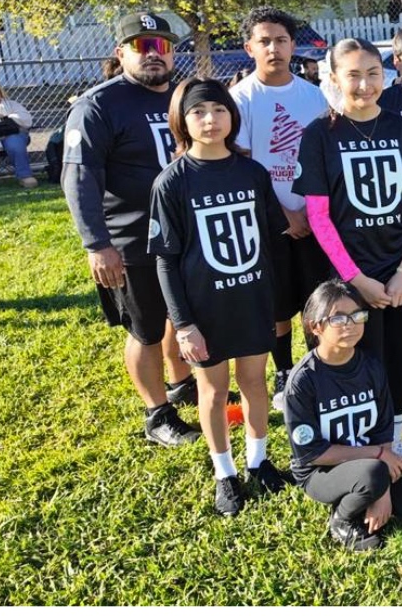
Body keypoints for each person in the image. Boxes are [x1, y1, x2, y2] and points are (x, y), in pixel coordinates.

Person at [149, 77, 290, 516]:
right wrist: (185, 324)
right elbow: (166, 261)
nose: (210, 121)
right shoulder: (172, 183)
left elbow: (268, 240)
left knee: (254, 382)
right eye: (198, 113)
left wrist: (272, 301)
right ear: (182, 121)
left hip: (250, 302)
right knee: (213, 391)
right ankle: (224, 473)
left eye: (218, 111)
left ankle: (258, 462)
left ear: (232, 116)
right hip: (205, 310)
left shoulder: (252, 173)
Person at [62, 12, 202, 446]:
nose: (153, 55)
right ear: (121, 52)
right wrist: (97, 244)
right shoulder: (98, 105)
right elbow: (79, 178)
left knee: (174, 313)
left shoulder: (183, 96)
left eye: (161, 46)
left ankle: (179, 383)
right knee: (143, 326)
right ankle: (156, 414)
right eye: (142, 46)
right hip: (131, 239)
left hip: (185, 233)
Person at [293, 37, 402, 455]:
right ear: (335, 78)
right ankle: (354, 441)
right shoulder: (320, 134)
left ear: (385, 74)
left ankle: (393, 439)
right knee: (354, 358)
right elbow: (318, 217)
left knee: (395, 355)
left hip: (400, 272)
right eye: (353, 75)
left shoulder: (400, 129)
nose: (364, 85)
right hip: (350, 277)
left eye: (372, 73)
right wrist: (357, 280)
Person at [285, 280, 402, 551]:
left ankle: (367, 493)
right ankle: (342, 518)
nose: (350, 324)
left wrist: (384, 493)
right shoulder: (303, 381)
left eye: (357, 316)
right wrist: (378, 459)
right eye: (339, 318)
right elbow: (311, 453)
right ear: (315, 326)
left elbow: (381, 430)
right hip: (321, 470)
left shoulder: (371, 367)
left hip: (370, 460)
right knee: (372, 475)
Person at [229, 6, 332, 413]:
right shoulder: (240, 100)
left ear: (293, 45)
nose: (274, 48)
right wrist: (284, 214)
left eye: (282, 40)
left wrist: (311, 212)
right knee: (276, 304)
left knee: (314, 298)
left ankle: (315, 366)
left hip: (314, 219)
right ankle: (285, 370)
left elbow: (324, 159)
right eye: (265, 41)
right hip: (268, 221)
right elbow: (244, 166)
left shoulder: (314, 96)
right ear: (249, 47)